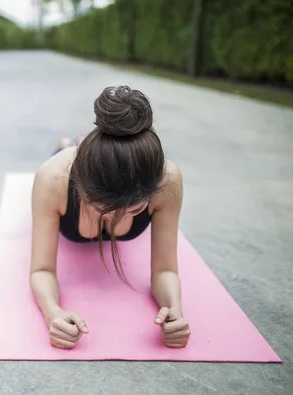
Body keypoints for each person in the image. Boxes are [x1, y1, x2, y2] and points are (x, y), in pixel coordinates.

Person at [29, 85, 191, 350]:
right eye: (103, 207)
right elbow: (41, 269)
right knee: (63, 150)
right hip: (67, 161)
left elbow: (165, 269)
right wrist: (53, 313)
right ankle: (68, 145)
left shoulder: (168, 179)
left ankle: (77, 141)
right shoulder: (52, 178)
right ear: (79, 187)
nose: (116, 217)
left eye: (133, 209)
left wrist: (174, 308)